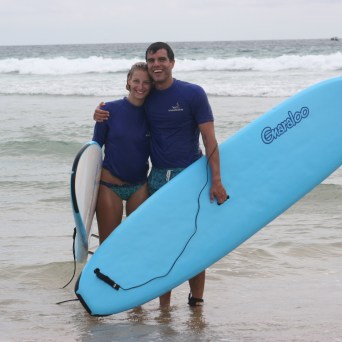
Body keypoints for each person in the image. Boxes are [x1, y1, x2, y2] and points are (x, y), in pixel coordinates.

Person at [94, 42, 229, 307]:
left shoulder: (192, 93)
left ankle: (197, 301)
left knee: (193, 240)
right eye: (152, 59)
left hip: (188, 176)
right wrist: (100, 114)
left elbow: (209, 139)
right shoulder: (148, 97)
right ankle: (162, 305)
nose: (157, 64)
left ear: (172, 62)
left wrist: (216, 179)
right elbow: (126, 111)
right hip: (156, 178)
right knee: (159, 244)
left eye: (162, 59)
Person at [93, 62, 152, 243]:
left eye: (146, 82)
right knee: (109, 243)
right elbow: (95, 148)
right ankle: (102, 271)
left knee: (137, 242)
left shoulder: (155, 113)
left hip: (139, 186)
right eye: (136, 81)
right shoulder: (108, 110)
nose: (140, 87)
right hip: (110, 186)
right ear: (128, 81)